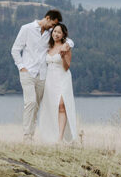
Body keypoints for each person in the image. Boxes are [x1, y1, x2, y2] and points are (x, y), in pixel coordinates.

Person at [11, 9, 73, 140]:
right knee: (31, 102)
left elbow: (67, 39)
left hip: (43, 76)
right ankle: (27, 136)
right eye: (52, 24)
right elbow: (15, 50)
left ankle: (31, 135)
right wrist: (21, 67)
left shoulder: (50, 33)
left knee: (36, 105)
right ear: (47, 18)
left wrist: (67, 45)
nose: (53, 28)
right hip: (27, 73)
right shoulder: (26, 29)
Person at [35, 22, 77, 144]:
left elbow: (67, 67)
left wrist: (63, 56)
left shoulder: (66, 47)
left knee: (62, 106)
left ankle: (60, 137)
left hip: (63, 78)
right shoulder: (48, 48)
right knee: (51, 107)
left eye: (59, 32)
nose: (56, 34)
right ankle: (50, 135)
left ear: (63, 34)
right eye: (54, 31)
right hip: (50, 79)